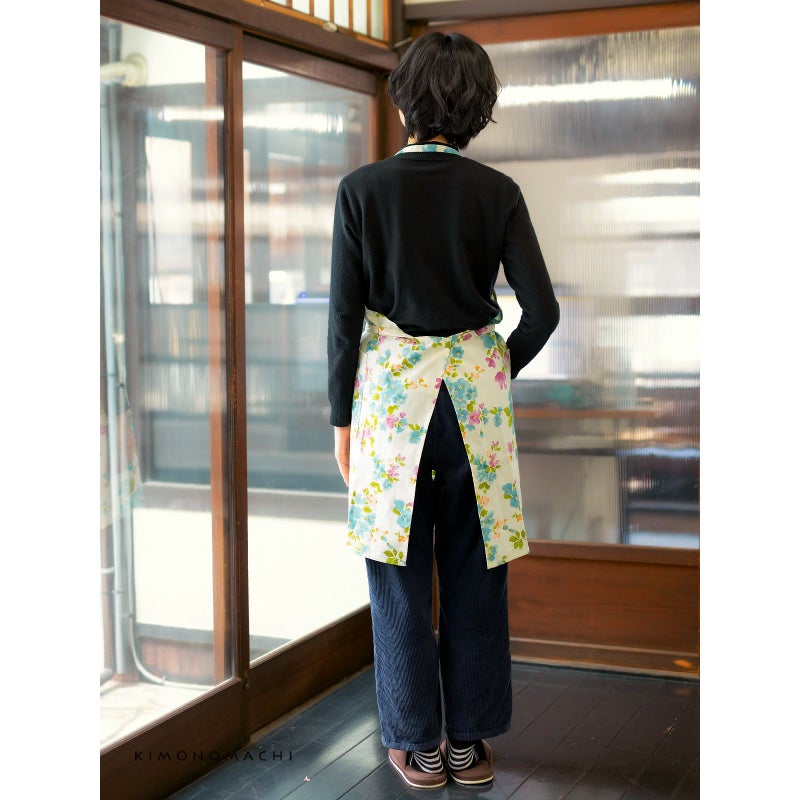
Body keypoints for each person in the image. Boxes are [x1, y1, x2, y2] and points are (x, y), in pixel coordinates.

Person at [327, 31, 560, 790]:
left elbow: (343, 322)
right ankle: (468, 745)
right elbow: (543, 313)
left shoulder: (361, 189)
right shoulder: (498, 191)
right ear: (479, 110)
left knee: (396, 576)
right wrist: (491, 370)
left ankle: (417, 747)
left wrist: (341, 421)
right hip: (472, 409)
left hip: (391, 407)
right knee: (475, 571)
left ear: (403, 101)